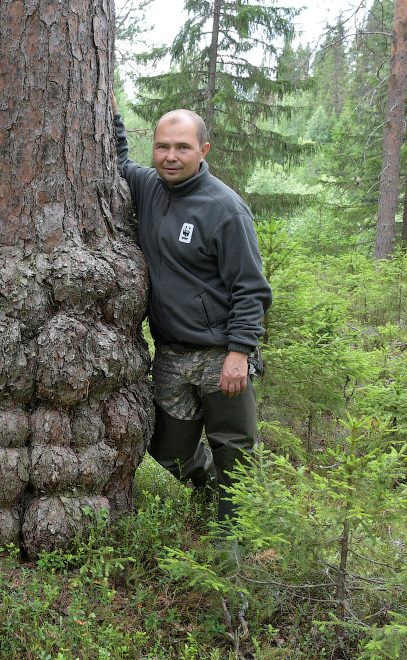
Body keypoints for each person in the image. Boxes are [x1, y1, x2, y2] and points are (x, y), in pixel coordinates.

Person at [112, 103, 272, 535]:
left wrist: (239, 354)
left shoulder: (225, 209)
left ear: (202, 150)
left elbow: (251, 289)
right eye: (162, 146)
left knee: (233, 447)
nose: (170, 156)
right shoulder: (148, 187)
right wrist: (111, 115)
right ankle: (208, 489)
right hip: (171, 353)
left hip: (222, 353)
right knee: (165, 447)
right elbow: (118, 160)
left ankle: (231, 537)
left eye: (182, 147)